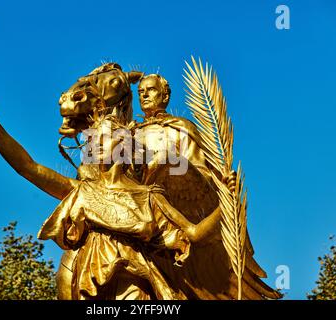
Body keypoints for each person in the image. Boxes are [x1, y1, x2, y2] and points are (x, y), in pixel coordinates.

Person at [38, 114, 222, 300]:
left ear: (123, 144)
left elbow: (193, 233)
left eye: (105, 138)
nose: (97, 144)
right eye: (94, 140)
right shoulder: (84, 191)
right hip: (89, 288)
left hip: (133, 289)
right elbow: (29, 168)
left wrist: (226, 205)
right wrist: (5, 134)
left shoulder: (149, 197)